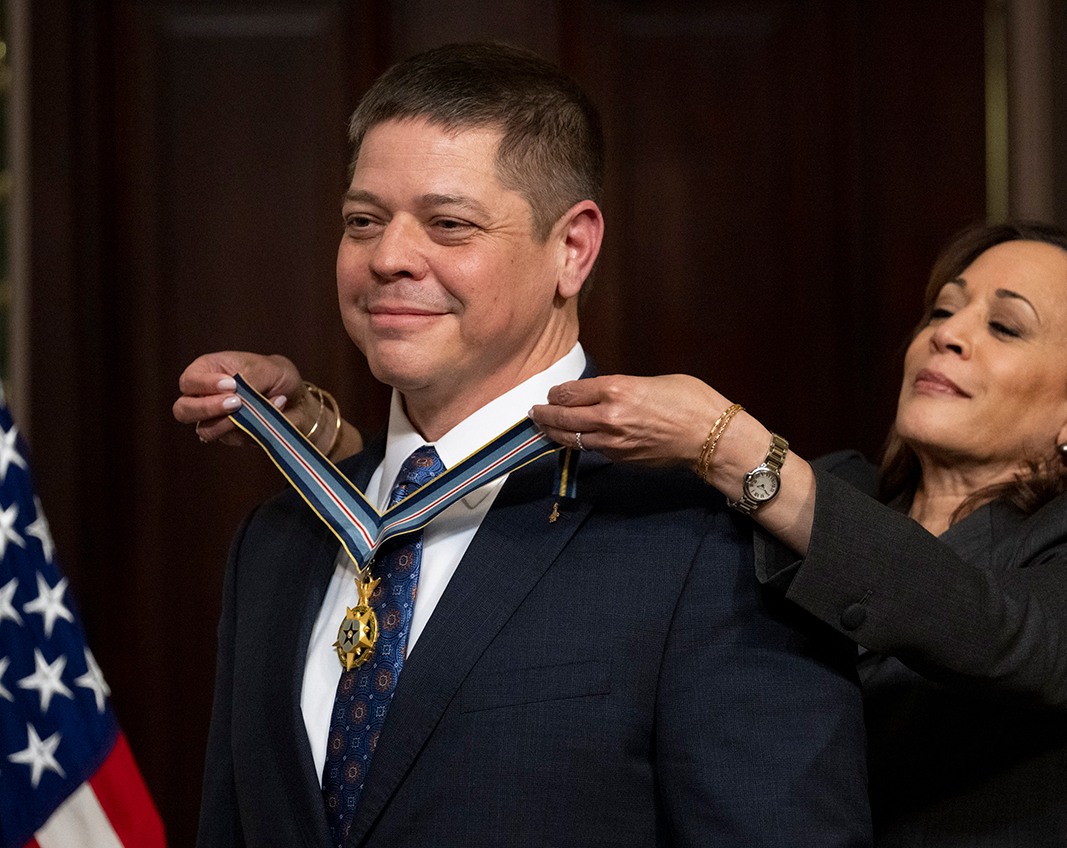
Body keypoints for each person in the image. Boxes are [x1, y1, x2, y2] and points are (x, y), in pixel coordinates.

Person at [181, 220, 1067, 846]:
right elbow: (535, 551)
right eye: (943, 307)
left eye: (1004, 324)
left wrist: (731, 446)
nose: (946, 331)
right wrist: (323, 440)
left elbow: (1002, 631)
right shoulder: (836, 498)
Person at [181, 43, 870, 848]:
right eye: (363, 220)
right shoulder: (282, 537)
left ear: (571, 250)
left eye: (449, 224)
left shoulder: (709, 546)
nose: (390, 257)